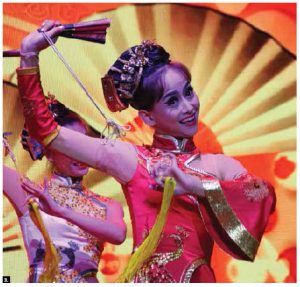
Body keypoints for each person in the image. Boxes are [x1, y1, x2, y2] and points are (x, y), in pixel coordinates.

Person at [16, 20, 276, 283]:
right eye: (172, 101)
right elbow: (48, 133)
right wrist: (29, 56)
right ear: (148, 117)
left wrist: (194, 185)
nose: (188, 107)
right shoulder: (133, 160)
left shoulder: (218, 166)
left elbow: (259, 201)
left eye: (188, 92)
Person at [3, 98, 126, 283]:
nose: (80, 152)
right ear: (48, 151)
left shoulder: (108, 205)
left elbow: (118, 235)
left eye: (83, 143)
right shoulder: (29, 192)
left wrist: (61, 211)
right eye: (68, 146)